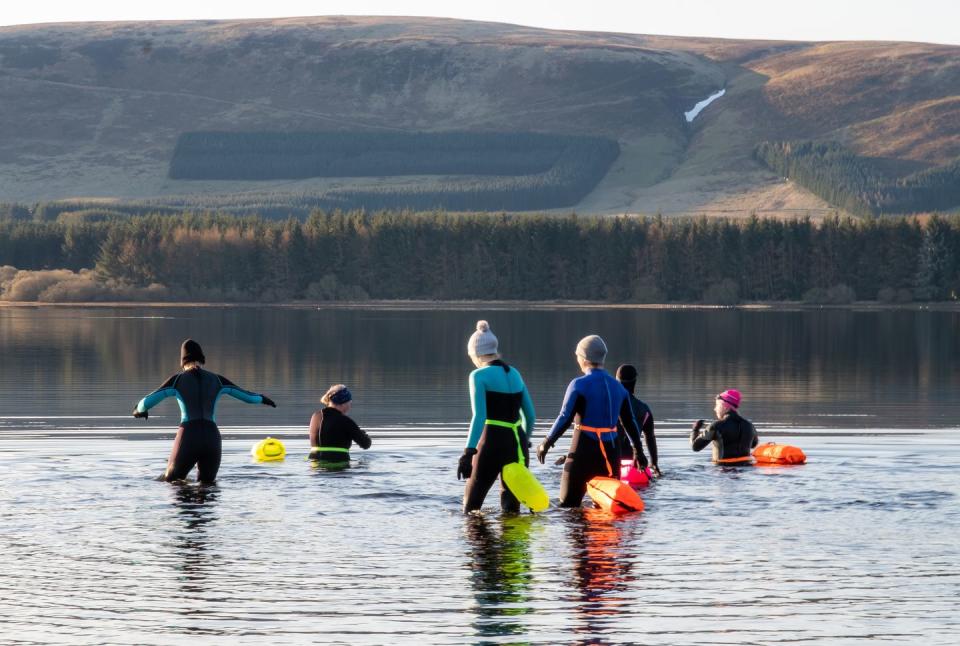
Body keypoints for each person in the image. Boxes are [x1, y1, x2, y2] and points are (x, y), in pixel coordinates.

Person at [133, 339, 276, 483]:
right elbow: (249, 398)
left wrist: (139, 411)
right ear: (202, 360)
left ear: (182, 361)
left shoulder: (177, 381)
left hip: (189, 437)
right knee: (207, 488)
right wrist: (263, 399)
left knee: (171, 482)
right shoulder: (218, 380)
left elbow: (146, 403)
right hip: (212, 438)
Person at [536, 335, 646, 507]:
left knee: (568, 508)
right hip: (611, 455)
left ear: (583, 358)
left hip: (582, 453)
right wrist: (638, 451)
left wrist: (546, 442)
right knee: (606, 509)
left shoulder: (578, 384)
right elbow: (629, 421)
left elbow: (565, 418)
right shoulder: (618, 387)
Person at [458, 320, 536, 513]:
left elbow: (479, 416)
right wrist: (524, 439)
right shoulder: (515, 373)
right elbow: (531, 415)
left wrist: (468, 453)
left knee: (471, 509)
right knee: (511, 512)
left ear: (476, 353)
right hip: (517, 445)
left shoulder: (478, 375)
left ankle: (478, 542)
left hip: (491, 444)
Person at [615, 364, 661, 477]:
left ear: (616, 382)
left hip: (612, 461)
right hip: (635, 464)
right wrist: (654, 463)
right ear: (635, 382)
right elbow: (650, 438)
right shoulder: (644, 409)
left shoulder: (608, 405)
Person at [690, 389, 758, 464]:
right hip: (745, 470)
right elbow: (753, 445)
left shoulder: (717, 426)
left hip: (722, 470)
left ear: (724, 406)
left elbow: (695, 447)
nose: (715, 409)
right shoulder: (749, 426)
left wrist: (695, 429)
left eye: (717, 405)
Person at [308, 384, 371, 462]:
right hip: (337, 465)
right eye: (349, 402)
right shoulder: (345, 421)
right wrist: (362, 433)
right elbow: (366, 444)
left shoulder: (315, 417)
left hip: (314, 464)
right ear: (343, 402)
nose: (350, 406)